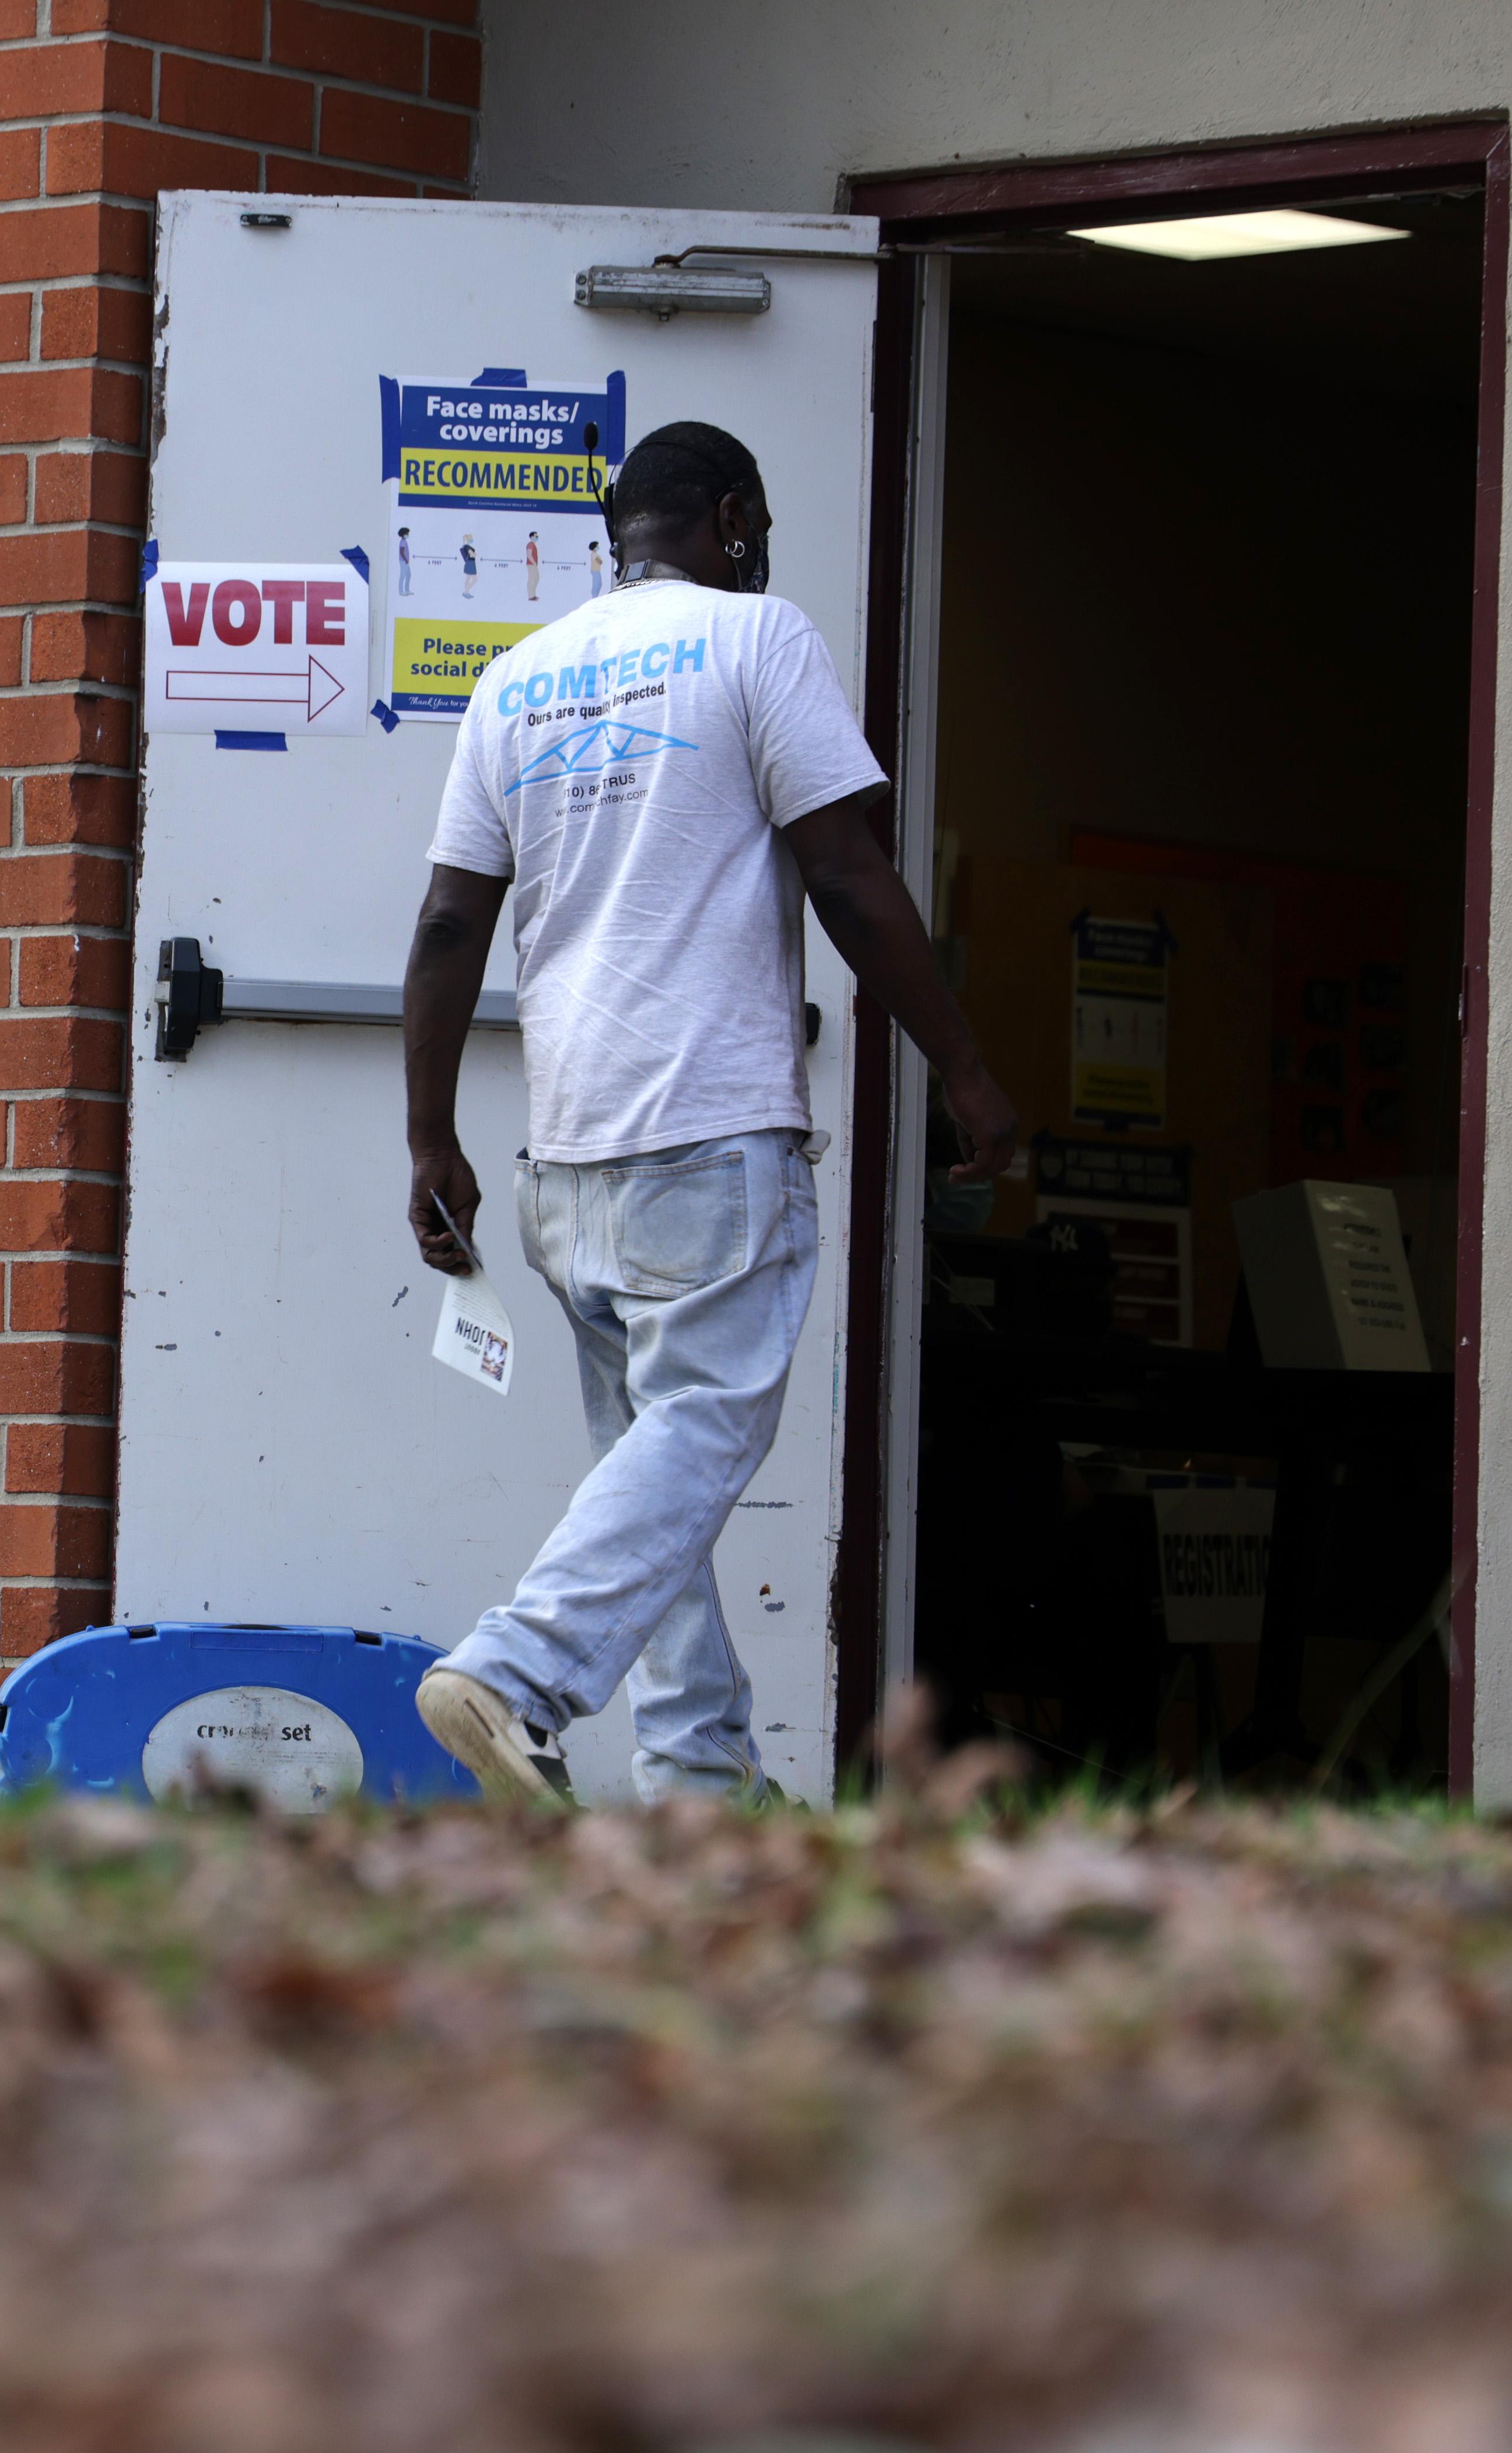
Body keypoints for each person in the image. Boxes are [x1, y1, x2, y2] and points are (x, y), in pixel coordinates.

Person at [400, 421, 1017, 1807]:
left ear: (614, 537)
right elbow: (849, 876)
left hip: (565, 1151)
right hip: (706, 1131)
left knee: (648, 1463)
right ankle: (517, 1671)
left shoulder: (513, 680)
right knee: (704, 1432)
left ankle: (698, 1779)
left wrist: (428, 1135)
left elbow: (448, 922)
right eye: (758, 528)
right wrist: (961, 1069)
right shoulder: (756, 638)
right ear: (730, 518)